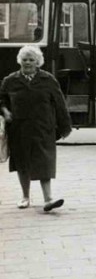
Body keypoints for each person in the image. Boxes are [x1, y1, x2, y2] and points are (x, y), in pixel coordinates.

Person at [0, 45, 71, 211]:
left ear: (38, 62)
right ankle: (25, 197)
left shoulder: (48, 80)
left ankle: (48, 199)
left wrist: (65, 126)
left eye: (31, 60)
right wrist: (5, 111)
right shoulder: (10, 80)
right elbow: (1, 100)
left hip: (43, 127)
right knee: (22, 162)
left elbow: (60, 103)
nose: (27, 63)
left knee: (44, 161)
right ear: (20, 61)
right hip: (19, 127)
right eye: (24, 60)